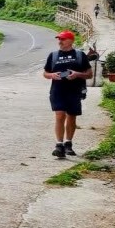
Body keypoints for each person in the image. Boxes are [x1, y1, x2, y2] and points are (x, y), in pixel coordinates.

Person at [42, 30, 93, 158]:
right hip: (57, 90)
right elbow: (45, 73)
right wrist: (52, 75)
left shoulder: (80, 55)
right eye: (59, 39)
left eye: (63, 39)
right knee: (59, 115)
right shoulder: (53, 55)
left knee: (71, 116)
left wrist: (77, 74)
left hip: (74, 91)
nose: (60, 41)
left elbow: (89, 74)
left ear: (71, 41)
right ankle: (59, 145)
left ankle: (68, 143)